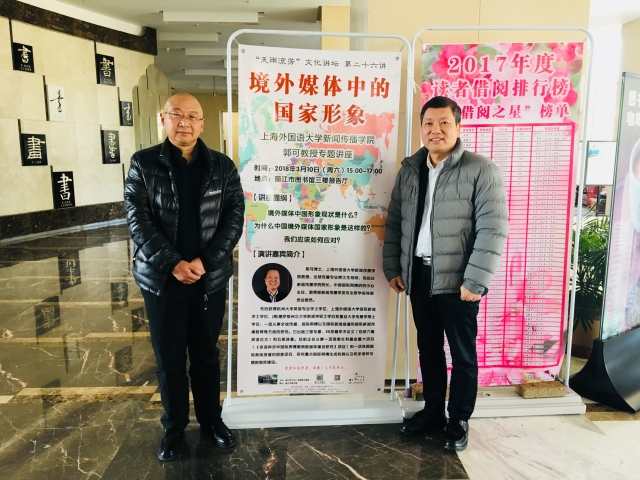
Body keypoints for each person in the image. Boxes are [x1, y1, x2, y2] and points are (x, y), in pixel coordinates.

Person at [382, 96, 508, 452]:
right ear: (421, 128)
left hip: (459, 281)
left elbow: (493, 229)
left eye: (443, 123)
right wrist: (394, 267)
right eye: (428, 123)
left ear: (458, 127)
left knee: (463, 355)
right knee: (429, 349)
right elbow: (395, 222)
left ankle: (459, 419)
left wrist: (475, 281)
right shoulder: (411, 169)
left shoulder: (481, 170)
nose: (435, 130)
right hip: (419, 276)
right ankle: (434, 411)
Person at [124, 93, 245, 461]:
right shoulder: (143, 163)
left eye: (192, 116)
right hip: (162, 280)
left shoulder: (222, 166)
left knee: (206, 355)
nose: (184, 122)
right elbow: (138, 219)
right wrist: (174, 263)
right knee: (170, 358)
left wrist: (205, 262)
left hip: (209, 279)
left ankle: (211, 422)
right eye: (176, 114)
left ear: (202, 124)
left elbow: (234, 217)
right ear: (163, 119)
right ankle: (174, 428)